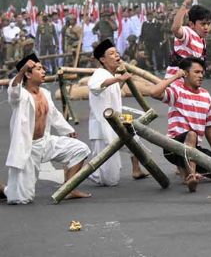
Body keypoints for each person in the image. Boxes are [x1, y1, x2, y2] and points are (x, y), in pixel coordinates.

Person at [2, 54, 91, 204]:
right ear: (28, 74)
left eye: (42, 68)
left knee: (81, 149)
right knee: (21, 199)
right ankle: (4, 189)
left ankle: (68, 189)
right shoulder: (21, 96)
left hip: (46, 141)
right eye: (38, 68)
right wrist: (22, 69)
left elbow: (54, 114)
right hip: (28, 148)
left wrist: (67, 129)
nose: (43, 71)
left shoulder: (46, 93)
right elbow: (13, 90)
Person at [150, 57, 211, 192]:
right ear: (185, 74)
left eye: (202, 72)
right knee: (191, 134)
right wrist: (175, 76)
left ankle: (189, 171)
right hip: (173, 147)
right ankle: (191, 176)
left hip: (193, 150)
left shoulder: (206, 95)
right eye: (197, 72)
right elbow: (153, 92)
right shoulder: (177, 91)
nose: (201, 75)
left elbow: (208, 127)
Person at [87, 39, 148, 186]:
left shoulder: (111, 75)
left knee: (135, 141)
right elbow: (94, 86)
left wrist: (120, 79)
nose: (116, 56)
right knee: (109, 181)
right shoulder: (99, 74)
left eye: (117, 53)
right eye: (112, 53)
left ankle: (136, 169)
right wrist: (120, 78)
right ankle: (84, 171)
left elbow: (111, 90)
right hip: (102, 128)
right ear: (102, 59)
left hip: (116, 123)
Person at [165, 0, 211, 78]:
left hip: (188, 86)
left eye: (208, 24)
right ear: (191, 24)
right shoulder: (188, 33)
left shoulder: (202, 41)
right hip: (175, 84)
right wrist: (185, 4)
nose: (206, 27)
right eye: (203, 24)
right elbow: (175, 28)